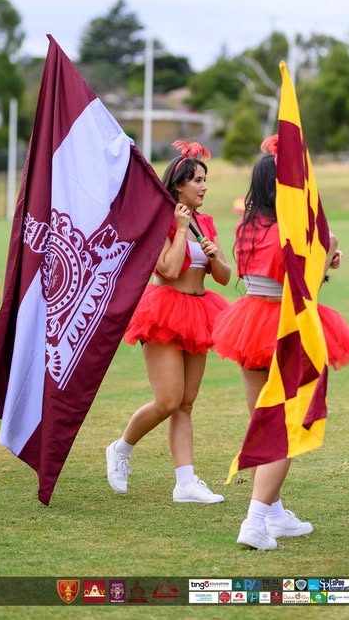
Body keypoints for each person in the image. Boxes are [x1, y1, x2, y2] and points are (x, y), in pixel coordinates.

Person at [211, 135, 349, 549]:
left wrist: (322, 254)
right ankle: (255, 522)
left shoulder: (245, 228)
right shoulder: (293, 231)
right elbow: (306, 287)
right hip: (285, 328)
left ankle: (274, 514)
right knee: (286, 428)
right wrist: (327, 251)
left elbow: (262, 275)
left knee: (263, 420)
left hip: (248, 324)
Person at [106, 140, 231, 504]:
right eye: (197, 180)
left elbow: (223, 276)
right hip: (163, 311)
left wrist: (212, 255)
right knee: (168, 399)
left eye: (206, 179)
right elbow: (169, 269)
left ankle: (185, 483)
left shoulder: (206, 222)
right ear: (178, 186)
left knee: (187, 403)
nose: (204, 186)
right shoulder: (161, 220)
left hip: (199, 310)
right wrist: (178, 227)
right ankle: (121, 448)